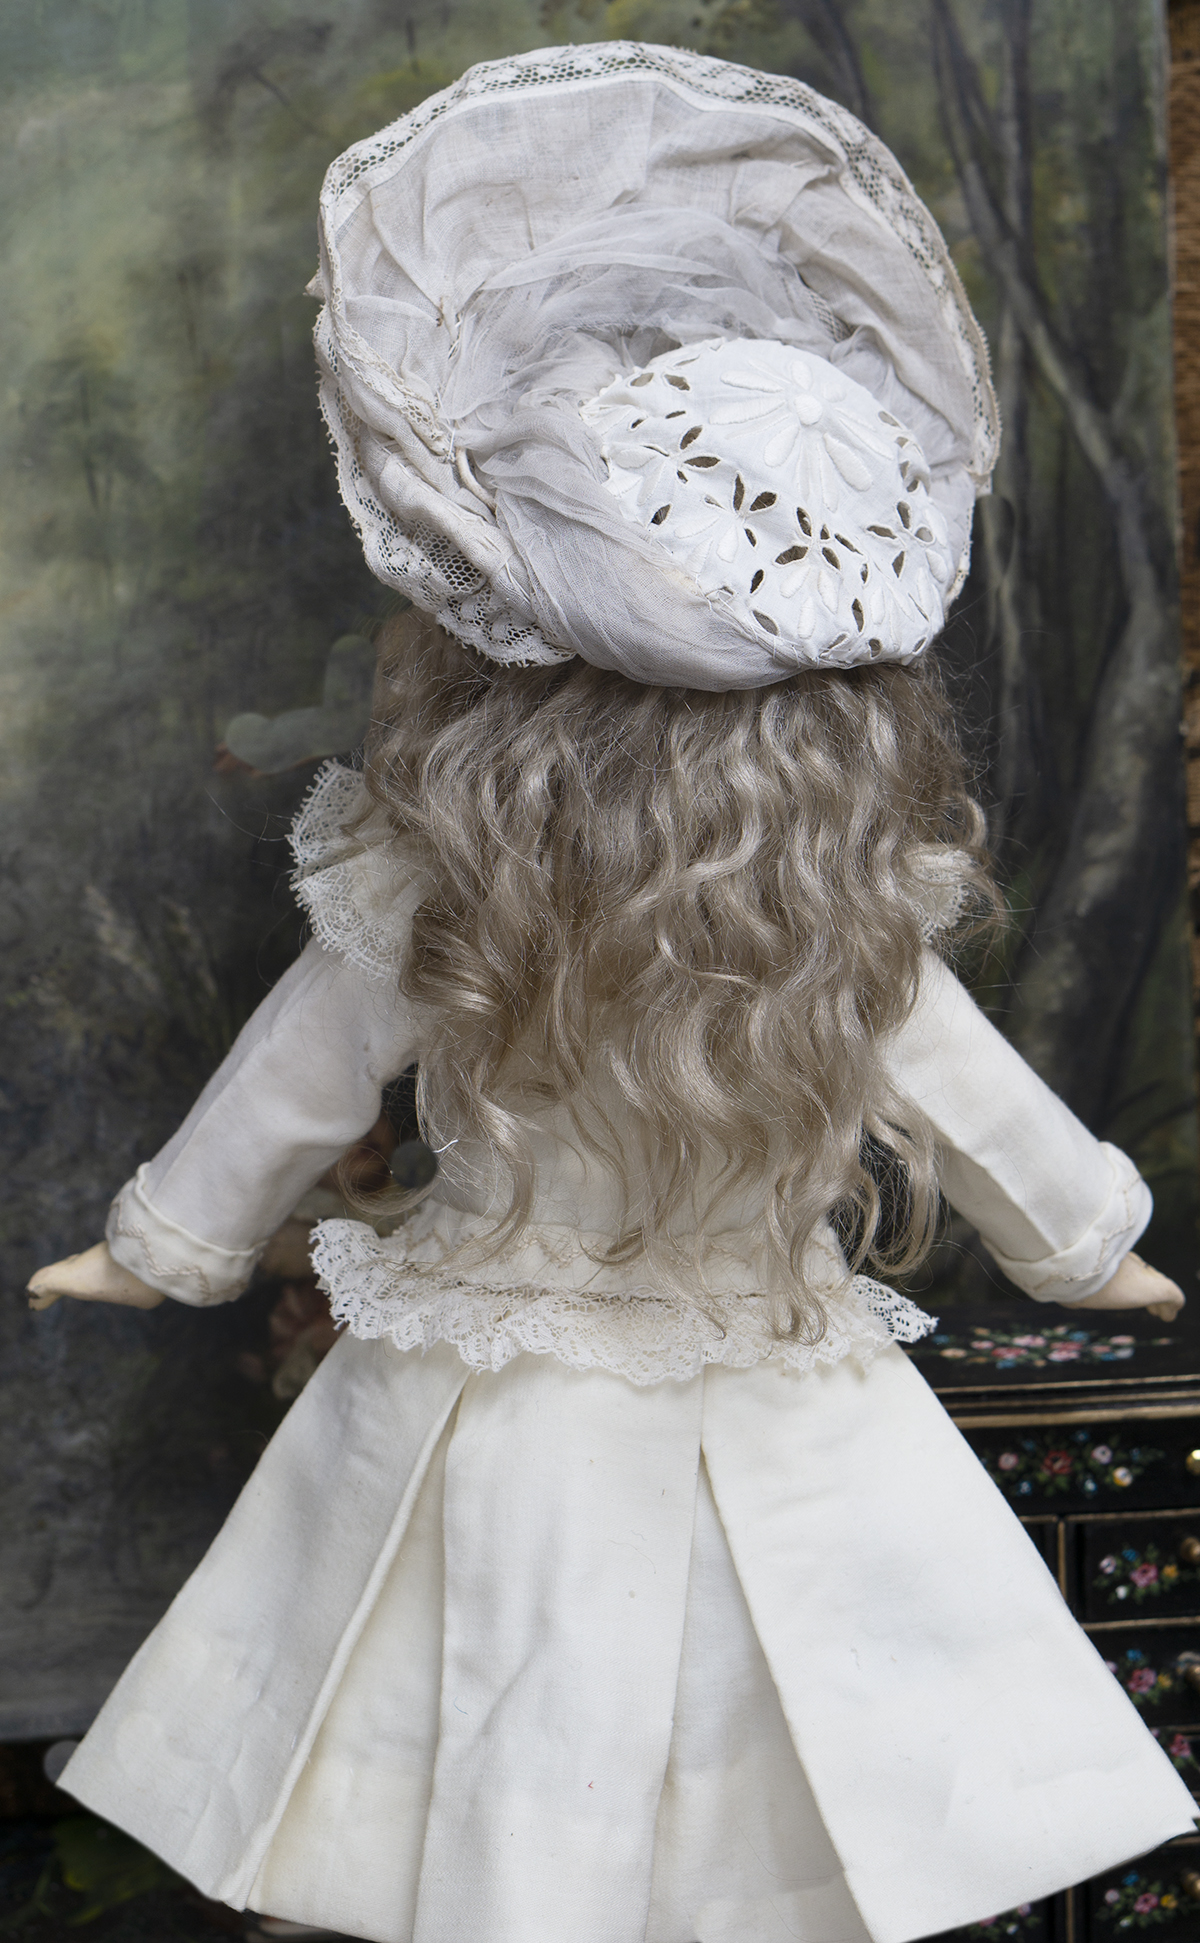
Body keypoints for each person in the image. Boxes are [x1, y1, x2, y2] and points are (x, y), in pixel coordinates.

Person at [27, 41, 1195, 1943]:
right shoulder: (807, 899)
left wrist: (159, 1249)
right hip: (742, 1374)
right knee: (735, 1742)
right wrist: (1091, 1249)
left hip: (499, 1385)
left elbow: (294, 1086)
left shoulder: (473, 877)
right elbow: (977, 1102)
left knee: (534, 1723)